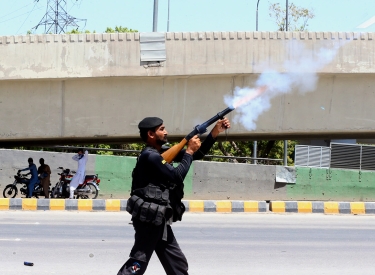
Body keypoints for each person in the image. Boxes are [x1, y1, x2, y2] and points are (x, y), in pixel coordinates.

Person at [117, 116, 230, 275]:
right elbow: (177, 176)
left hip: (158, 218)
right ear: (151, 134)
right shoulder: (150, 156)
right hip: (149, 221)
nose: (166, 132)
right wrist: (189, 150)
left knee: (177, 264)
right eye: (162, 129)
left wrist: (215, 132)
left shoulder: (160, 153)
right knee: (137, 263)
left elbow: (198, 154)